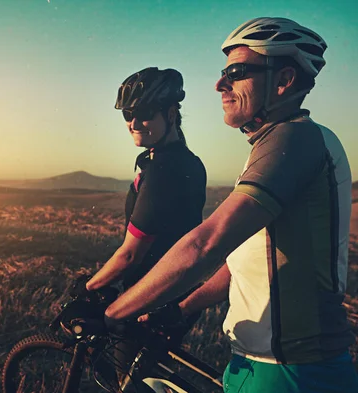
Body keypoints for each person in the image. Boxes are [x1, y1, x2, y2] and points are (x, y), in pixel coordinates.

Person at [103, 17, 358, 393]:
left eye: (236, 72)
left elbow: (206, 243)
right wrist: (182, 307)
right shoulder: (272, 147)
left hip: (293, 373)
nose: (220, 84)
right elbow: (243, 260)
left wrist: (112, 313)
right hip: (257, 364)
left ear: (285, 80)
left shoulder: (294, 139)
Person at [84, 67, 207, 378]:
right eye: (128, 114)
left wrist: (89, 286)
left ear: (171, 113)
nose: (133, 123)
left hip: (154, 293)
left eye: (145, 114)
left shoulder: (163, 170)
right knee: (145, 376)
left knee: (126, 377)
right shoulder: (184, 160)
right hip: (174, 288)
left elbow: (131, 254)